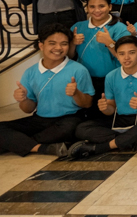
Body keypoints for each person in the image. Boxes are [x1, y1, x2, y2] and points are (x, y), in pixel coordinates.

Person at [0, 24, 93, 157]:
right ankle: (41, 148)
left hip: (68, 119)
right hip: (40, 120)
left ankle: (16, 143)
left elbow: (87, 104)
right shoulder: (30, 72)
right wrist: (23, 99)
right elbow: (28, 109)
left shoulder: (78, 70)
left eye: (64, 44)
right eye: (52, 43)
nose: (58, 48)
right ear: (41, 45)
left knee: (70, 129)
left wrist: (76, 93)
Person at [69, 36, 137, 158]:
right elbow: (111, 110)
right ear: (117, 56)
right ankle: (132, 140)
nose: (126, 58)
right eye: (121, 54)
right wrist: (105, 108)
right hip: (120, 119)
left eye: (131, 53)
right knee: (82, 128)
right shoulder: (111, 76)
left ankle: (102, 147)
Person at [69, 0, 130, 116]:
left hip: (111, 81)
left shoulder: (120, 28)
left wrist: (110, 43)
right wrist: (73, 43)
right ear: (87, 8)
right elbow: (69, 56)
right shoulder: (78, 27)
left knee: (109, 115)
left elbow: (127, 59)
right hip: (84, 80)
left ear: (110, 7)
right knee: (88, 115)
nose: (96, 10)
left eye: (101, 6)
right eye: (92, 7)